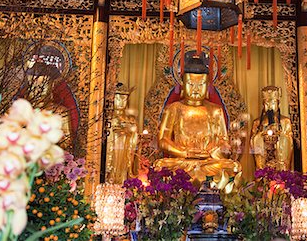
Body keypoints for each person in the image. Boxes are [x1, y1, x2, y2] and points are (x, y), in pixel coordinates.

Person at [154, 55, 241, 184]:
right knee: (160, 166)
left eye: (201, 85)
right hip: (182, 162)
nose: (196, 89)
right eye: (191, 84)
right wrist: (184, 153)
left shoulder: (215, 110)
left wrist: (211, 151)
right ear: (183, 84)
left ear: (207, 86)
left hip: (208, 162)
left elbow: (224, 142)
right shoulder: (174, 108)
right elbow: (162, 140)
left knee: (233, 167)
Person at [250, 86, 294, 170]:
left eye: (273, 103)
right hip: (265, 157)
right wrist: (261, 136)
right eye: (267, 103)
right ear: (263, 104)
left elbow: (289, 141)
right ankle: (262, 174)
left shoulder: (285, 121)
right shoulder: (257, 122)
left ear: (278, 103)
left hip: (279, 156)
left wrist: (280, 136)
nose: (270, 106)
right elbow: (253, 142)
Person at [105, 82, 139, 184]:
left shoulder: (130, 119)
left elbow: (134, 138)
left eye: (124, 99)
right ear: (112, 99)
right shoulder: (107, 117)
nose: (121, 102)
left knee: (122, 169)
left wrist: (130, 131)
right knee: (111, 169)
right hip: (111, 149)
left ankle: (123, 182)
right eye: (118, 98)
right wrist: (113, 128)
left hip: (124, 150)